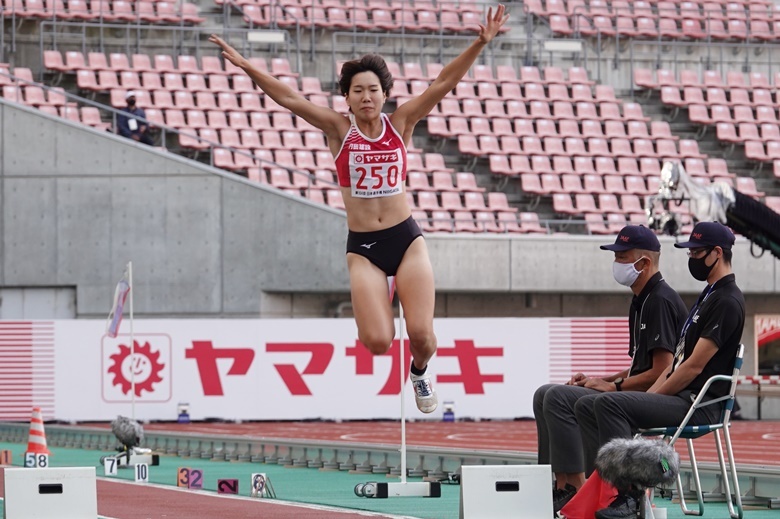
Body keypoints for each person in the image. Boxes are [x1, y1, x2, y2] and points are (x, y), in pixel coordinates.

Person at [209, 6, 509, 413]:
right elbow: (288, 97)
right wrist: (246, 65)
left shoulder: (401, 122)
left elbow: (444, 82)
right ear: (346, 97)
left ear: (384, 93)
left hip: (405, 239)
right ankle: (389, 322)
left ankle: (420, 371)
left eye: (372, 90)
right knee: (379, 342)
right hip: (364, 247)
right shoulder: (337, 129)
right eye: (357, 91)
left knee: (420, 333)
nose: (366, 97)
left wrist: (479, 42)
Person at [577, 221, 745, 519]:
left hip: (700, 404)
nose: (691, 259)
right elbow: (679, 361)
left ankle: (627, 498)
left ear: (717, 253)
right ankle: (601, 490)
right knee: (597, 403)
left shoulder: (727, 301)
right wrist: (644, 398)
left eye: (696, 253)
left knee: (610, 403)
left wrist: (646, 397)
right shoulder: (707, 297)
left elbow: (693, 367)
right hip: (682, 398)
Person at [533, 225, 686, 514]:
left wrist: (612, 388)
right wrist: (597, 379)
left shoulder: (661, 301)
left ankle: (580, 487)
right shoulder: (640, 300)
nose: (617, 263)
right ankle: (560, 482)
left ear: (645, 262)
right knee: (546, 394)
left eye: (622, 256)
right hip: (633, 392)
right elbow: (638, 368)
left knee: (560, 398)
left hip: (657, 397)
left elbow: (662, 372)